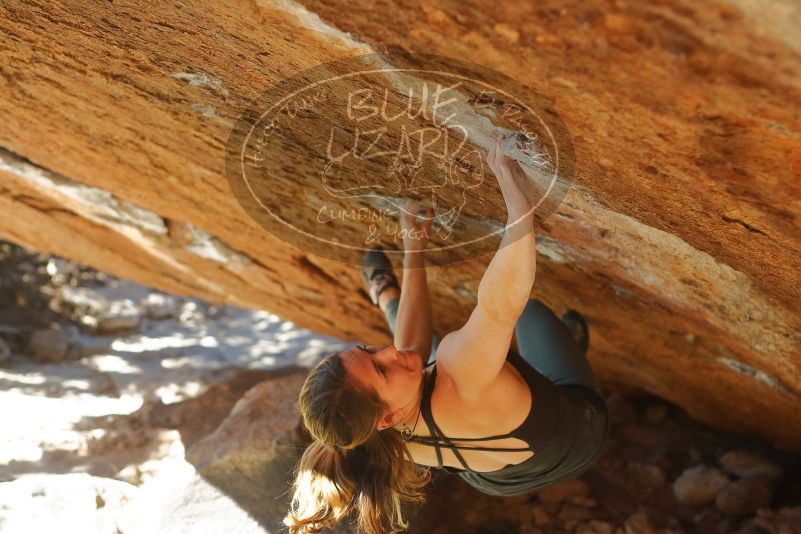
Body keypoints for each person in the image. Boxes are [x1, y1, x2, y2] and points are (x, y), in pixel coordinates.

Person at [283, 134, 610, 534]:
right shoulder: (460, 369)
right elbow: (502, 301)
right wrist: (514, 192)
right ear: (385, 419)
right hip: (579, 436)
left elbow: (408, 348)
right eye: (381, 371)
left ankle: (386, 293)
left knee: (418, 358)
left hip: (498, 481)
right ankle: (565, 345)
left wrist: (413, 246)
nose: (387, 353)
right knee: (530, 316)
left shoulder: (378, 441)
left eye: (368, 350)